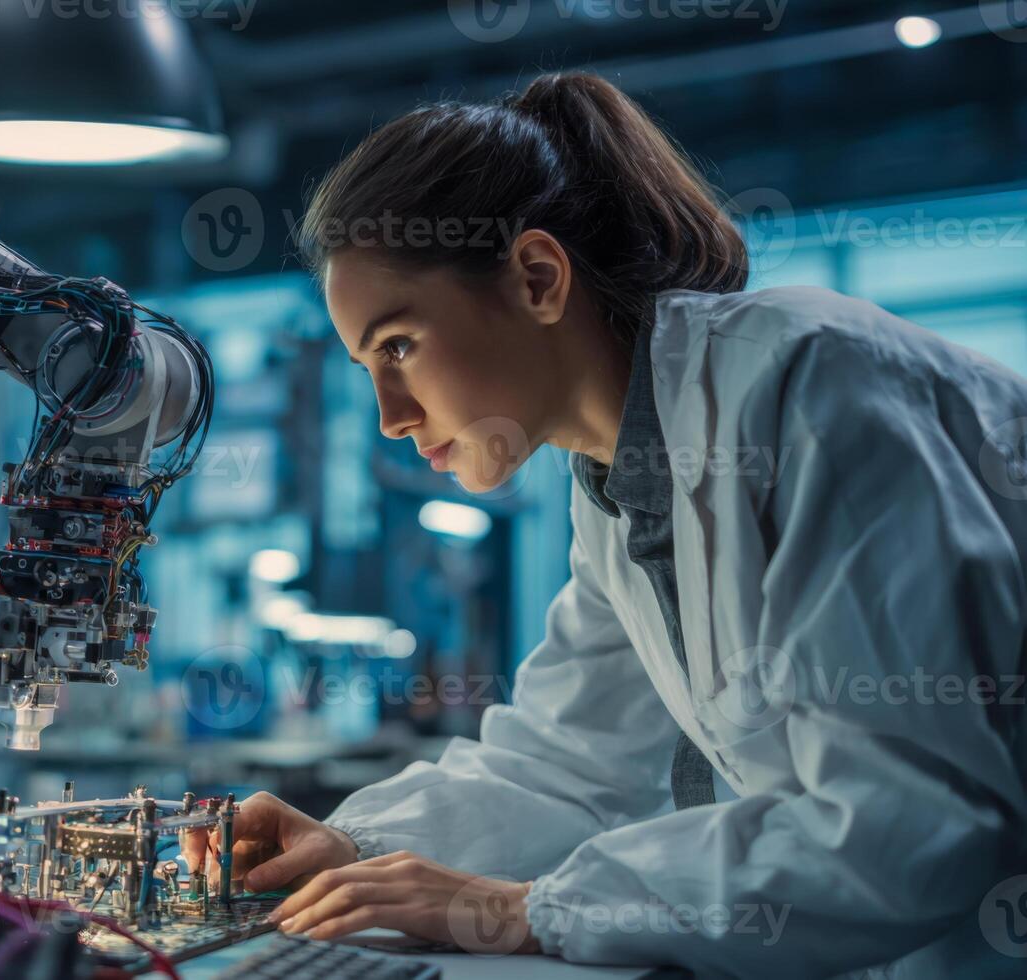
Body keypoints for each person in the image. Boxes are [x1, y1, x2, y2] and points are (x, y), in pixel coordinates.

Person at [189, 72, 1027, 978]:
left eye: (399, 346)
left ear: (539, 279)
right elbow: (567, 765)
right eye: (366, 364)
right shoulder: (620, 479)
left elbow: (902, 824)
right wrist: (351, 845)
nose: (390, 414)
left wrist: (518, 908)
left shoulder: (811, 385)